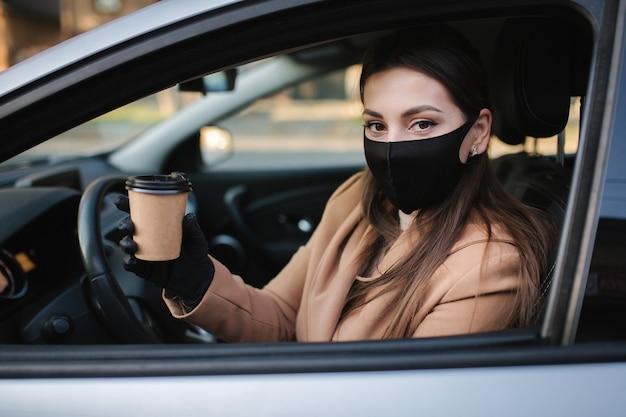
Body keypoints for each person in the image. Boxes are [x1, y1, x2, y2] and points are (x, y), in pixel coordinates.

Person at [116, 25, 555, 342]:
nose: (393, 146)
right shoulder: (357, 200)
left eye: (422, 124)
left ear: (477, 133)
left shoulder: (490, 264)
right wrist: (194, 279)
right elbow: (283, 317)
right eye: (376, 125)